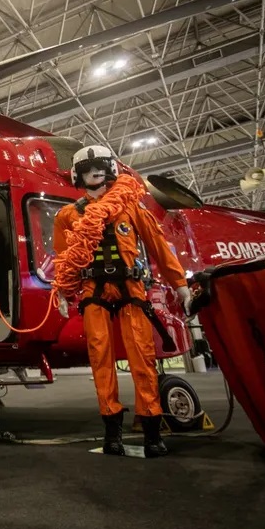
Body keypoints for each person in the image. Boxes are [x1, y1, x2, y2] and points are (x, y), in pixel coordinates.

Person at [52, 146, 191, 458]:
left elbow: (159, 247)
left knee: (142, 358)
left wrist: (180, 284)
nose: (94, 173)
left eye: (99, 167)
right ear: (78, 175)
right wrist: (62, 292)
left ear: (110, 169)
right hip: (93, 294)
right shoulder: (68, 216)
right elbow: (65, 260)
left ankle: (152, 433)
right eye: (87, 169)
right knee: (100, 359)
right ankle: (111, 433)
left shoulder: (131, 208)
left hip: (131, 290)